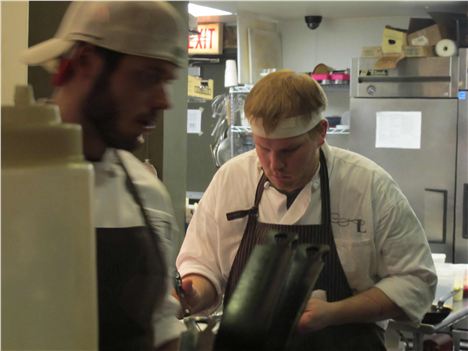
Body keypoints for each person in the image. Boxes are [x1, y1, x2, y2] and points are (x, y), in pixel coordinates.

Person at [176, 70, 437, 350]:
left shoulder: (367, 184)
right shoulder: (231, 179)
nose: (274, 164)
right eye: (263, 148)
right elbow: (202, 264)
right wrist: (193, 293)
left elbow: (416, 282)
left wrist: (335, 313)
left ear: (321, 133)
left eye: (289, 151)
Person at [21, 2, 186, 350]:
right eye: (147, 76)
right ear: (85, 63)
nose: (163, 101)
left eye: (166, 80)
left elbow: (160, 321)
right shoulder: (13, 180)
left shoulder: (146, 191)